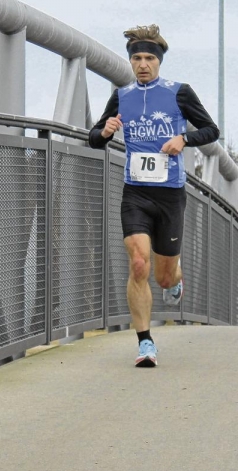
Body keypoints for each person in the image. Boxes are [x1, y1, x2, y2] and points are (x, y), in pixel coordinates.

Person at [88, 24, 219, 368]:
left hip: (170, 195)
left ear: (159, 61)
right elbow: (94, 138)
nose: (142, 64)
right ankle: (145, 342)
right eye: (136, 58)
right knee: (138, 262)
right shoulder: (122, 95)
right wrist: (104, 130)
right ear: (131, 62)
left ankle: (175, 278)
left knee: (163, 275)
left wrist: (184, 140)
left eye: (148, 58)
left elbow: (211, 130)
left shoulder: (179, 92)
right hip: (136, 192)